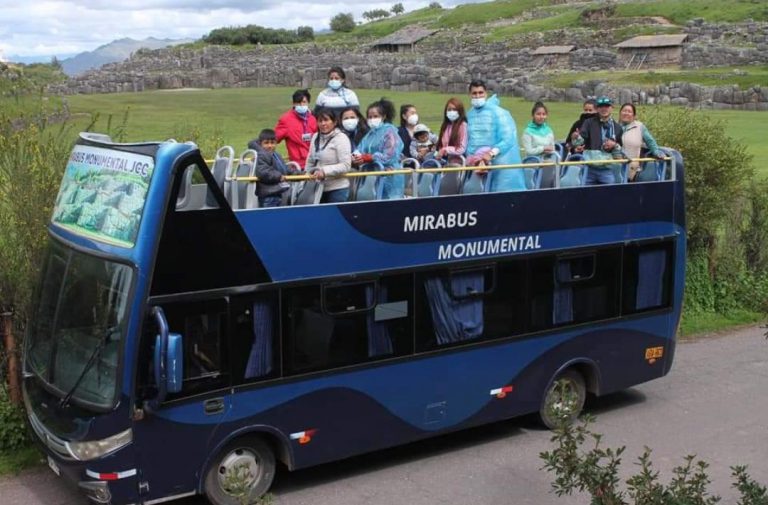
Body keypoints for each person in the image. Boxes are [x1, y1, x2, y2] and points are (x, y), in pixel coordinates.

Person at [465, 79, 525, 192]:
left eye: (480, 92)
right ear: (470, 95)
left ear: (486, 93)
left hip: (500, 165)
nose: (478, 96)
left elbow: (508, 138)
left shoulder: (499, 112)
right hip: (478, 166)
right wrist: (472, 157)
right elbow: (469, 139)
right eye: (474, 93)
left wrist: (491, 153)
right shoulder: (469, 114)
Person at [354, 98, 405, 199]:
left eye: (375, 116)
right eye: (369, 117)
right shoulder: (370, 134)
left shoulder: (390, 132)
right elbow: (360, 148)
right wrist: (355, 156)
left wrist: (371, 157)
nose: (372, 119)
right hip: (371, 176)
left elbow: (390, 156)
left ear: (383, 116)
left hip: (389, 176)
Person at [571, 96, 623, 185]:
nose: (604, 109)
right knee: (585, 196)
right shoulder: (588, 123)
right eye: (601, 106)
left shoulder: (617, 127)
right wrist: (575, 137)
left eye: (607, 106)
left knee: (610, 195)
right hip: (588, 169)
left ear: (612, 108)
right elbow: (579, 142)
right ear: (597, 109)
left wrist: (614, 145)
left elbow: (619, 151)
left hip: (607, 170)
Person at [305, 109, 352, 203]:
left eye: (326, 120)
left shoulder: (341, 138)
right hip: (317, 188)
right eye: (320, 121)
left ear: (334, 122)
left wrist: (324, 171)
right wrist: (306, 174)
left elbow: (346, 165)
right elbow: (310, 160)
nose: (323, 124)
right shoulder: (315, 137)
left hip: (337, 189)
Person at [247, 129, 300, 208]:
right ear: (260, 143)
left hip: (278, 193)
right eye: (266, 143)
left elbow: (285, 169)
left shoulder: (276, 155)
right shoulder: (262, 155)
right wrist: (278, 176)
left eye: (272, 143)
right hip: (268, 196)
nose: (270, 145)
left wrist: (299, 173)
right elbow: (263, 172)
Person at [618, 103, 665, 182]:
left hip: (631, 171)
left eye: (629, 111)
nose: (626, 113)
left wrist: (656, 152)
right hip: (615, 171)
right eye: (624, 111)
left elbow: (650, 141)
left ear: (634, 115)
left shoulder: (639, 127)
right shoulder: (613, 126)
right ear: (620, 113)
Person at [274, 89, 317, 169]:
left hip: (315, 163)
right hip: (298, 166)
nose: (301, 105)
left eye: (304, 102)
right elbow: (273, 139)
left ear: (308, 103)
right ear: (293, 103)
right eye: (298, 102)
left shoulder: (313, 119)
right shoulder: (286, 120)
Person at [522, 101, 557, 188]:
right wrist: (543, 148)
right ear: (533, 115)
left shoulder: (549, 130)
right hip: (532, 162)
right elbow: (529, 151)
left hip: (547, 161)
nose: (541, 117)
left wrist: (550, 151)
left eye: (543, 114)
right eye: (538, 114)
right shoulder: (527, 132)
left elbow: (552, 148)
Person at [435, 97, 468, 166]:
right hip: (445, 161)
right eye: (449, 109)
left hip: (457, 162)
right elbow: (441, 145)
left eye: (454, 109)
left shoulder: (462, 126)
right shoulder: (446, 126)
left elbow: (461, 149)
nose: (451, 112)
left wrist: (446, 150)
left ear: (459, 111)